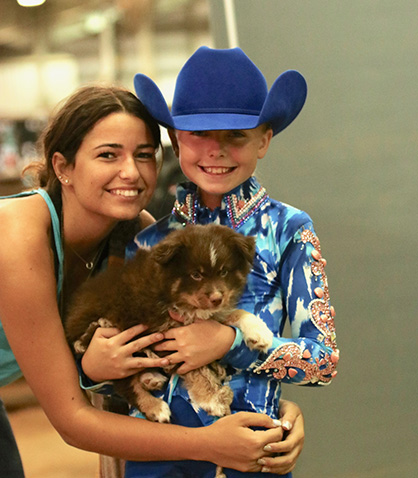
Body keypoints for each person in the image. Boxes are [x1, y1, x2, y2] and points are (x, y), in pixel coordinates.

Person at [0, 83, 304, 477]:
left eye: (145, 155)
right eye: (108, 154)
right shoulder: (17, 236)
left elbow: (169, 344)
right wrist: (209, 445)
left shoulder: (136, 233)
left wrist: (275, 411)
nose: (131, 171)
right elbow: (71, 418)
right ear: (62, 167)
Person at [122, 46, 340, 478]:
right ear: (175, 139)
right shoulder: (148, 242)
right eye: (198, 134)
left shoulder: (288, 230)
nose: (215, 150)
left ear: (264, 139)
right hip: (158, 455)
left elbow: (323, 361)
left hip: (255, 455)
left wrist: (230, 344)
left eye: (236, 135)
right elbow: (129, 357)